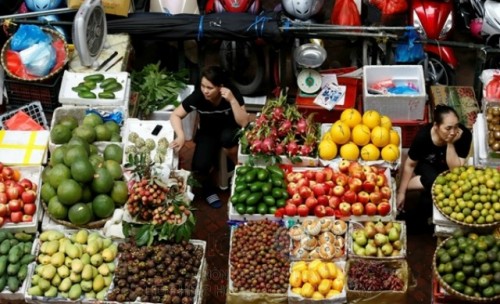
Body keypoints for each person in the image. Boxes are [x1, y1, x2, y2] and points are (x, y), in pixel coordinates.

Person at [170, 65, 250, 208]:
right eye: (203, 86)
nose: (205, 91)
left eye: (210, 88)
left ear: (221, 87)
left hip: (229, 128)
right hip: (208, 132)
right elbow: (175, 115)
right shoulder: (198, 96)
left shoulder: (232, 93)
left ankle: (237, 169)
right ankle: (208, 189)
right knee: (199, 166)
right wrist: (181, 136)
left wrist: (232, 100)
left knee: (228, 139)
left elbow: (244, 122)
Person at [396, 105, 472, 219]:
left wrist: (450, 143)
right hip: (426, 164)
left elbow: (455, 170)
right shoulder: (423, 137)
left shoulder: (463, 135)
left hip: (449, 164)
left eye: (456, 127)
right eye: (448, 128)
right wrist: (401, 192)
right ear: (436, 126)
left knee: (435, 195)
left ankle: (423, 215)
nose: (453, 132)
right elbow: (410, 164)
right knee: (435, 183)